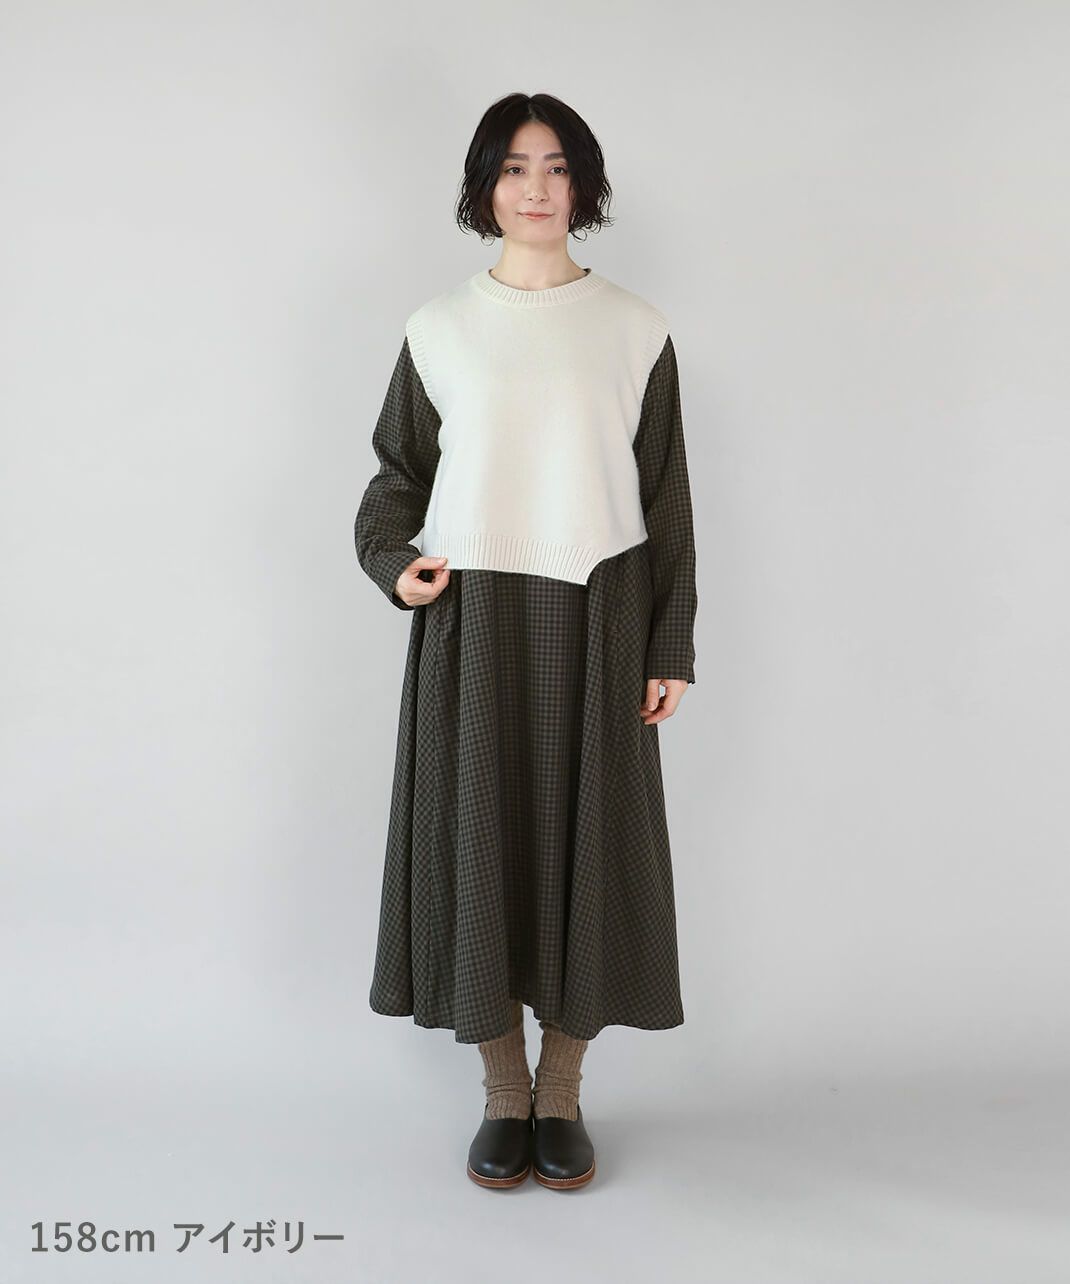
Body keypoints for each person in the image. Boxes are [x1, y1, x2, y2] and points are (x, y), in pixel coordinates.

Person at [354, 91, 698, 1190]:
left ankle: (564, 1091)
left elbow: (667, 499)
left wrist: (669, 645)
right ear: (484, 188)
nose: (535, 187)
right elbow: (396, 477)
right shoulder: (438, 328)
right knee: (482, 845)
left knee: (589, 846)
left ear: (583, 185)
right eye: (512, 168)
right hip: (471, 621)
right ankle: (505, 1092)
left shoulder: (636, 328)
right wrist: (392, 563)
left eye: (555, 166)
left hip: (599, 614)